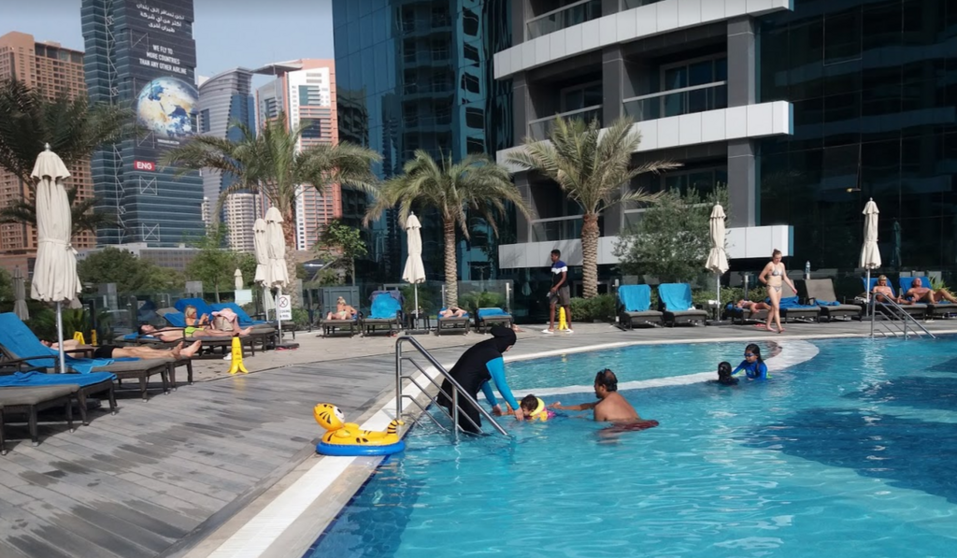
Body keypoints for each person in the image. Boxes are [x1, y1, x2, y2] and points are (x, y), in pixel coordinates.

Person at [438, 325, 523, 433]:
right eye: (510, 347)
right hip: (462, 389)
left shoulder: (483, 346)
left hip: (451, 385)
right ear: (505, 343)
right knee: (473, 430)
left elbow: (482, 380)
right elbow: (501, 385)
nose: (508, 350)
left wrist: (494, 404)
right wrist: (516, 407)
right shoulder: (494, 355)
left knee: (463, 427)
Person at [550, 369, 643, 423]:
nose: (594, 387)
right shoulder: (618, 398)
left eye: (595, 384)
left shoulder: (601, 407)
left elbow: (598, 429)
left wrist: (580, 419)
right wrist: (561, 408)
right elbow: (587, 406)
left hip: (623, 428)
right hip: (642, 424)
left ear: (602, 387)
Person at [42, 338, 202, 359]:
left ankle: (179, 352)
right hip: (97, 354)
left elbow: (75, 341)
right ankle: (172, 354)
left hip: (100, 347)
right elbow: (76, 348)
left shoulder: (57, 345)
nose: (43, 340)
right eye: (40, 342)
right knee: (133, 352)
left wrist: (56, 343)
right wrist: (55, 347)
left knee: (144, 348)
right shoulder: (54, 353)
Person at [758, 249, 796, 333]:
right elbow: (761, 277)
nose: (778, 260)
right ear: (773, 258)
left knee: (773, 307)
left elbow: (785, 277)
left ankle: (767, 325)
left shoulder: (782, 265)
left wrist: (792, 287)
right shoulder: (770, 265)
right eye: (777, 258)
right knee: (776, 307)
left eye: (780, 258)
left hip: (779, 287)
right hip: (771, 287)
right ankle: (779, 327)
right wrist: (767, 283)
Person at [543, 249, 572, 335]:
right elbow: (553, 278)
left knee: (565, 305)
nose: (551, 257)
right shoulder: (553, 265)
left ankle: (570, 326)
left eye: (552, 256)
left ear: (557, 256)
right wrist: (552, 287)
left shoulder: (563, 265)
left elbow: (563, 278)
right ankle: (551, 327)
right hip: (554, 288)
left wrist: (557, 286)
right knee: (552, 306)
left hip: (563, 287)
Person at [138, 323, 252, 341]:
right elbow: (167, 339)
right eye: (146, 327)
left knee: (213, 330)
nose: (148, 325)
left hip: (188, 330)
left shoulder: (161, 329)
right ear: (146, 333)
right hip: (188, 334)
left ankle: (238, 332)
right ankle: (233, 334)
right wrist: (182, 338)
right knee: (209, 333)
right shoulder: (159, 335)